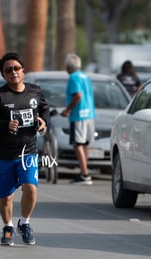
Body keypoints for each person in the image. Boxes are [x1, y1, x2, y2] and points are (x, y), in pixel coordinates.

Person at [0, 52, 49, 246]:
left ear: (23, 70)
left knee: (31, 188)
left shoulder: (35, 92)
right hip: (4, 153)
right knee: (6, 196)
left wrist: (43, 122)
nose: (13, 73)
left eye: (16, 68)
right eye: (8, 70)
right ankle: (8, 226)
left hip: (29, 151)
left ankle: (24, 223)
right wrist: (5, 125)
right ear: (3, 74)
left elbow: (44, 110)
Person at [61, 53, 96, 186]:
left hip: (79, 114)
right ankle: (84, 172)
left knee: (78, 144)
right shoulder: (85, 76)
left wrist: (68, 110)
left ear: (69, 67)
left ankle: (84, 174)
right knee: (85, 143)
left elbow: (78, 95)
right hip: (89, 114)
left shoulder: (73, 77)